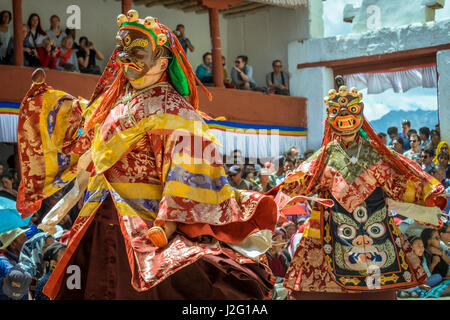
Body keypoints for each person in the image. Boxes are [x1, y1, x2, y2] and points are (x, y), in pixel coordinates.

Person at [16, 10, 277, 300]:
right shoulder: (115, 104)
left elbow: (185, 170)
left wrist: (167, 222)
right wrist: (48, 104)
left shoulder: (177, 111)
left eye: (138, 52)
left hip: (144, 224)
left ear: (163, 61)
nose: (127, 58)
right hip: (99, 216)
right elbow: (86, 134)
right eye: (124, 51)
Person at [270, 82, 447, 300]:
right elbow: (302, 178)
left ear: (360, 114)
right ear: (330, 119)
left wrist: (427, 190)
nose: (344, 116)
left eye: (350, 110)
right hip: (333, 227)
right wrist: (274, 198)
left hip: (374, 223)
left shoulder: (375, 152)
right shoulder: (326, 154)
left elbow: (399, 180)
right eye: (337, 112)